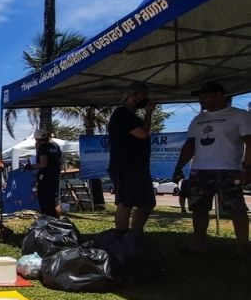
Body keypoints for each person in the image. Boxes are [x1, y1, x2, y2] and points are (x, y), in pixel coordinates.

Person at [172, 81, 251, 254]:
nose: (201, 100)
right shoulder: (198, 119)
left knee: (236, 209)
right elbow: (190, 145)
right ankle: (198, 245)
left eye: (205, 96)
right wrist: (179, 167)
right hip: (200, 170)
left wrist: (247, 168)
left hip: (229, 170)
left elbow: (249, 143)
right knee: (199, 208)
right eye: (200, 96)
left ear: (219, 95)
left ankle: (243, 247)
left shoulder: (238, 115)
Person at [107, 82, 156, 234]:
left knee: (147, 203)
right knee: (126, 204)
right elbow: (142, 133)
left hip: (139, 167)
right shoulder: (122, 114)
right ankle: (122, 239)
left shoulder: (132, 116)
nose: (146, 99)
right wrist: (148, 113)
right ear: (131, 96)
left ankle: (135, 235)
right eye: (143, 95)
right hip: (125, 167)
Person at [30, 128, 62, 217]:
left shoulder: (43, 147)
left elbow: (43, 164)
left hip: (45, 177)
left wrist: (30, 167)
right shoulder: (56, 146)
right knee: (54, 201)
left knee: (45, 200)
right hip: (55, 176)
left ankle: (49, 221)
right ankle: (57, 221)